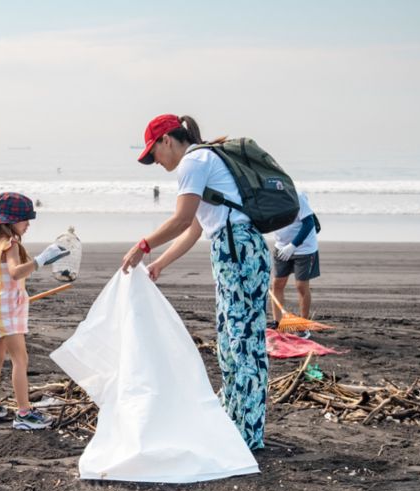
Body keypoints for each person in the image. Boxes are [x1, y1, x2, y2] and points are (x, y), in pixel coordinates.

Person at [121, 114, 271, 450]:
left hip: (237, 249)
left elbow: (181, 219)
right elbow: (194, 229)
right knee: (229, 344)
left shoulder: (194, 161)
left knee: (243, 343)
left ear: (167, 140)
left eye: (154, 153)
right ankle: (234, 423)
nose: (156, 162)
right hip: (233, 248)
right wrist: (159, 263)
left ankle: (248, 434)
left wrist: (142, 246)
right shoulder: (203, 160)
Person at [0, 193, 67, 430]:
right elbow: (16, 272)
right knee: (20, 359)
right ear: (11, 220)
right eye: (25, 219)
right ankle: (24, 413)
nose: (28, 224)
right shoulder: (11, 244)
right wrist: (41, 259)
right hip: (6, 308)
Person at [270, 191, 320, 339]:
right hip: (281, 247)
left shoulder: (296, 196)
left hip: (304, 248)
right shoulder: (266, 197)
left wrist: (293, 245)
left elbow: (309, 223)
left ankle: (303, 327)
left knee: (301, 286)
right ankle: (278, 323)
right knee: (277, 284)